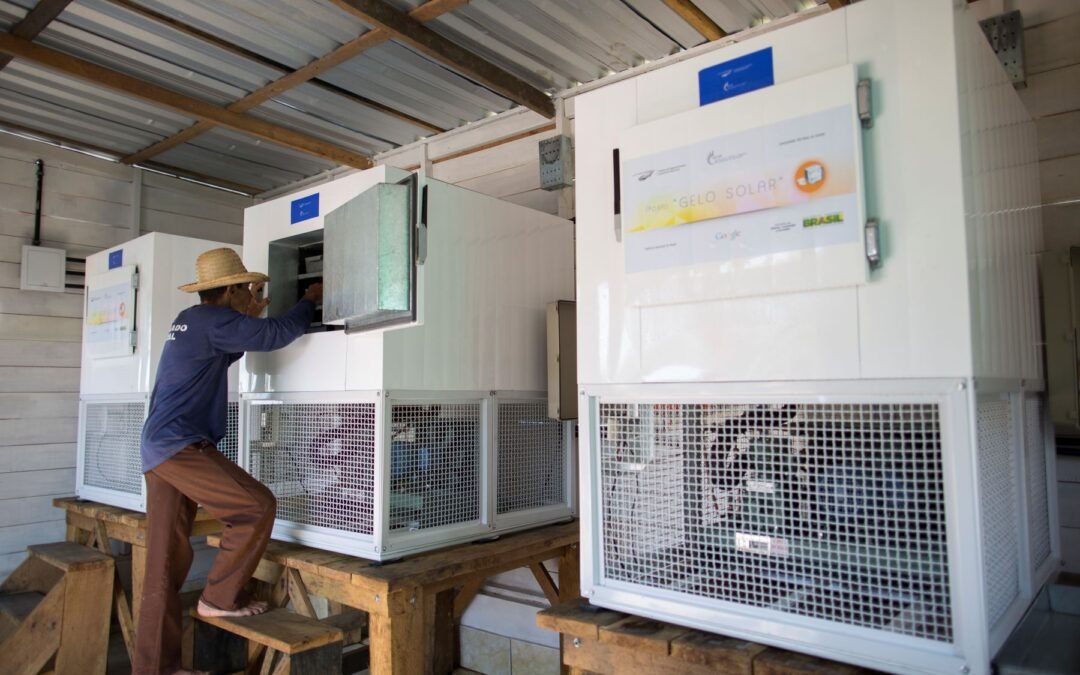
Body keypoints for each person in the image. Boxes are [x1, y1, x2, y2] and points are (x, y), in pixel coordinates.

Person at [134, 247, 322, 675]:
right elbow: (275, 335)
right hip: (179, 445)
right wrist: (309, 299)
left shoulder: (192, 321)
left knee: (162, 565)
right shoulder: (211, 320)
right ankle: (218, 599)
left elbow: (234, 348)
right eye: (248, 289)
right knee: (255, 506)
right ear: (231, 289)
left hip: (158, 446)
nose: (252, 295)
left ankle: (156, 670)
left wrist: (249, 317)